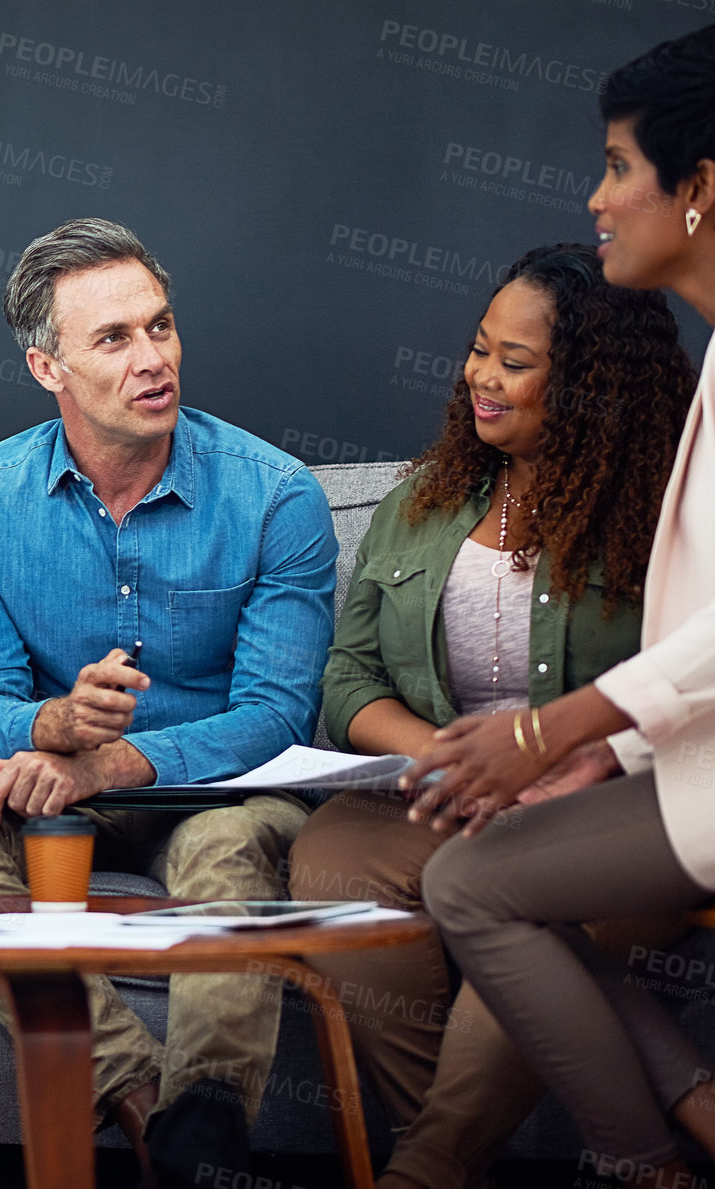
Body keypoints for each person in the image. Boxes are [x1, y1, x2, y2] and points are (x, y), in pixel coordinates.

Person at [0, 217, 339, 1187]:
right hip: (55, 796)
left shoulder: (274, 496)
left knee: (229, 844)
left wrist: (112, 762)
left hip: (215, 792)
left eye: (161, 327)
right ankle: (148, 1116)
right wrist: (48, 727)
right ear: (47, 367)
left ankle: (209, 1120)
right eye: (115, 338)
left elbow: (275, 717)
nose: (153, 358)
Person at [286, 243, 695, 1189]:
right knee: (333, 864)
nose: (482, 377)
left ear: (592, 385)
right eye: (478, 350)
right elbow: (347, 681)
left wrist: (555, 766)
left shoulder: (665, 518)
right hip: (445, 799)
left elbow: (681, 690)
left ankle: (429, 1167)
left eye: (515, 362)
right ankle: (455, 1155)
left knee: (521, 893)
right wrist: (456, 759)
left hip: (614, 806)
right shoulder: (424, 502)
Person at [408, 25, 715, 1189]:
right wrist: (611, 750)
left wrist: (556, 731)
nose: (597, 196)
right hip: (684, 767)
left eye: (620, 168)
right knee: (490, 863)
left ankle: (646, 1164)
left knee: (473, 882)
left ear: (699, 192)